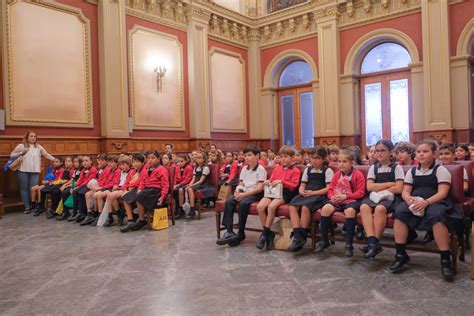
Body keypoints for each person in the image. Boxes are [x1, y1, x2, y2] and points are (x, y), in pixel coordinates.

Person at [390, 139, 463, 281]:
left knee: (437, 216)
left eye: (425, 151)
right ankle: (400, 254)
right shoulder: (412, 171)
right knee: (400, 212)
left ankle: (445, 260)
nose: (421, 154)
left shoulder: (440, 170)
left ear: (434, 153)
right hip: (416, 200)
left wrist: (426, 202)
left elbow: (442, 192)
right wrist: (409, 199)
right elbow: (405, 191)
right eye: (418, 152)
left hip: (436, 201)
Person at [314, 149, 366, 257]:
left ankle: (349, 245)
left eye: (344, 162)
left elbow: (360, 193)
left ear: (352, 163)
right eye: (339, 161)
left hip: (352, 200)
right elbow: (330, 189)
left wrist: (346, 196)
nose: (341, 164)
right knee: (325, 209)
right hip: (337, 199)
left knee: (350, 211)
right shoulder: (337, 174)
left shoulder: (358, 175)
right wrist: (332, 196)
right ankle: (324, 241)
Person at [359, 140, 404, 258]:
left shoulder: (396, 167)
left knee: (379, 209)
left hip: (391, 197)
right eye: (377, 151)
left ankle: (375, 242)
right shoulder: (373, 168)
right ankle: (372, 242)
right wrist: (389, 184)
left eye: (382, 150)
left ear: (391, 152)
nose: (379, 153)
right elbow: (369, 187)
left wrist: (380, 188)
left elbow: (399, 188)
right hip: (375, 196)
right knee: (364, 207)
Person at [216, 145, 267, 247]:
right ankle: (229, 231)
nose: (246, 158)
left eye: (249, 155)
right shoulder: (244, 169)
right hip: (244, 191)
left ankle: (241, 232)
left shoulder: (261, 169)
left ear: (257, 156)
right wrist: (238, 191)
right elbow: (242, 183)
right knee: (229, 201)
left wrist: (243, 195)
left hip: (255, 193)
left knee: (243, 203)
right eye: (245, 155)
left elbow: (259, 188)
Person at [288, 146, 333, 252]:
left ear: (323, 159)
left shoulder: (327, 170)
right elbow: (303, 184)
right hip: (308, 193)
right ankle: (297, 234)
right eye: (312, 158)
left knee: (305, 207)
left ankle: (303, 234)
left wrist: (313, 193)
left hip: (319, 195)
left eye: (317, 158)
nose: (314, 160)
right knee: (292, 206)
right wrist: (301, 190)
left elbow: (328, 188)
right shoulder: (308, 170)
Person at [256, 146, 301, 250]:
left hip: (285, 193)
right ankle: (267, 233)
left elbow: (293, 186)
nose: (283, 159)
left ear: (292, 157)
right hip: (273, 192)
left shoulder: (296, 170)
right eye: (281, 157)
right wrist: (267, 182)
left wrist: (282, 182)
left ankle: (265, 234)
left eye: (285, 157)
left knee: (271, 207)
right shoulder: (277, 168)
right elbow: (271, 179)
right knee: (260, 206)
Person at [10, 131, 55, 213]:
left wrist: (55, 159)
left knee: (33, 189)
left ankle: (33, 205)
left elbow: (46, 154)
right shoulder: (21, 146)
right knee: (24, 189)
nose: (33, 138)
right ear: (27, 137)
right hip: (23, 170)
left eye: (35, 136)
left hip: (35, 171)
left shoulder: (38, 147)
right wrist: (22, 151)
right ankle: (27, 207)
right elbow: (12, 155)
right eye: (31, 136)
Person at [128, 151, 169, 232]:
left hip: (156, 190)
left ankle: (142, 219)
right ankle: (141, 217)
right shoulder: (148, 169)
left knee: (140, 196)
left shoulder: (162, 169)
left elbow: (165, 185)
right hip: (148, 189)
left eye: (153, 158)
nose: (150, 160)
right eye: (149, 158)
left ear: (158, 159)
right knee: (136, 195)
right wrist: (140, 188)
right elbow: (143, 181)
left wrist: (162, 196)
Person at [120, 154, 147, 233]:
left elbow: (139, 183)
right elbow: (126, 182)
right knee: (125, 197)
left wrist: (130, 187)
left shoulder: (144, 171)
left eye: (137, 162)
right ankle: (130, 220)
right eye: (134, 162)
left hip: (140, 189)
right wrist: (125, 189)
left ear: (142, 163)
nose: (135, 164)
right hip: (133, 189)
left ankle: (137, 219)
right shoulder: (133, 171)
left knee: (126, 197)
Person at [186, 151, 216, 219]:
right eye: (197, 158)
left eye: (200, 158)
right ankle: (185, 208)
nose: (198, 159)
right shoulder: (196, 167)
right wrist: (190, 184)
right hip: (197, 184)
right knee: (187, 187)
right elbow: (193, 179)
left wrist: (191, 186)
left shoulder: (205, 168)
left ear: (204, 159)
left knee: (190, 189)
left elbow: (201, 181)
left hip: (203, 185)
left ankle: (192, 209)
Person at [173, 154, 194, 219]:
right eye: (178, 161)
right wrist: (174, 185)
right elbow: (175, 178)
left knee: (180, 190)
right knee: (174, 190)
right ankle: (179, 208)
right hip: (179, 184)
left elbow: (187, 179)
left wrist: (178, 185)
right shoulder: (177, 168)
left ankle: (180, 208)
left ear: (186, 161)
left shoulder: (188, 168)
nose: (180, 163)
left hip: (186, 184)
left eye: (182, 161)